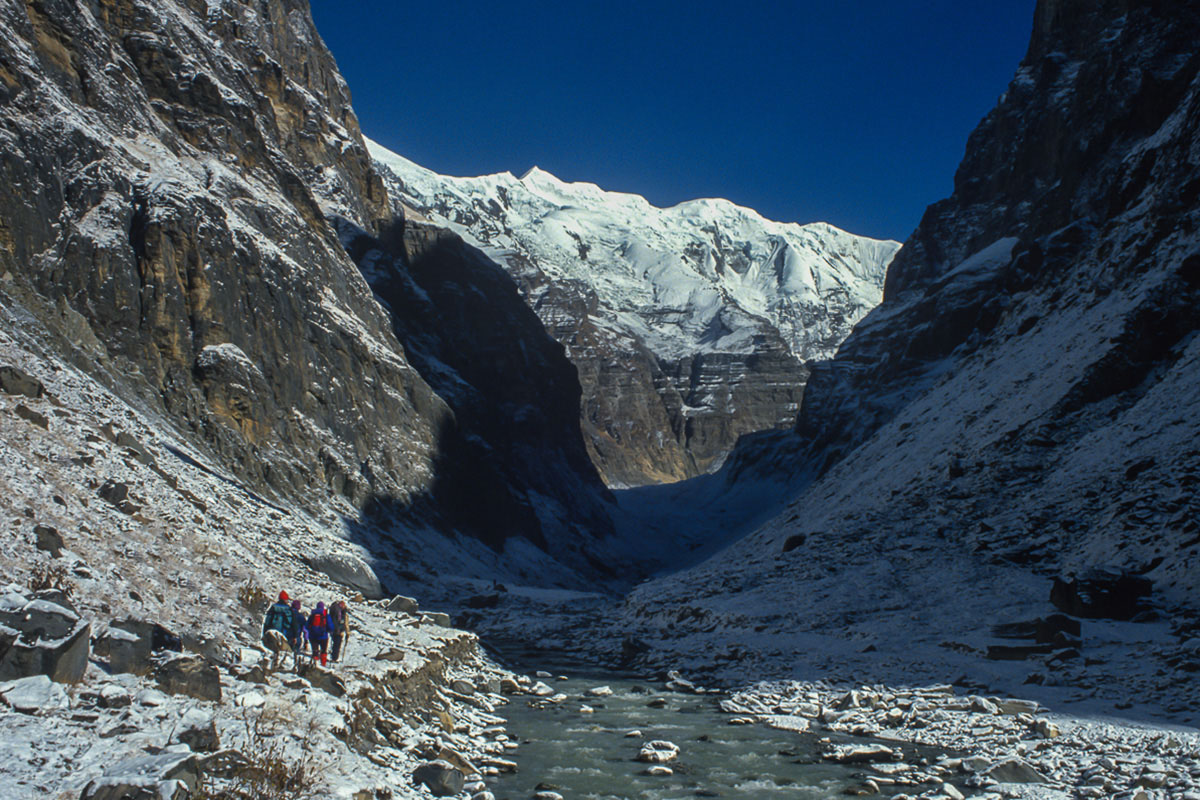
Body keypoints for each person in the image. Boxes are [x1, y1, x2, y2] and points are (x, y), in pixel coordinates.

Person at [261, 591, 293, 669]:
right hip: (282, 634)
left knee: (272, 650)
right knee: (283, 651)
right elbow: (290, 623)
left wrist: (264, 632)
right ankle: (278, 666)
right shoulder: (288, 609)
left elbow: (267, 621)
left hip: (272, 631)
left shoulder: (273, 607)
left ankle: (269, 666)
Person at [306, 601, 331, 667]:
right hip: (323, 636)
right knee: (323, 651)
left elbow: (307, 625)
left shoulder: (312, 615)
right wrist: (329, 630)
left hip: (313, 636)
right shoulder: (325, 615)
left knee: (315, 651)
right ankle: (323, 664)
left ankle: (315, 664)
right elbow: (331, 626)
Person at [287, 599, 307, 669]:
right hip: (297, 637)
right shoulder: (300, 616)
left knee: (286, 653)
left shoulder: (287, 613)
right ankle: (295, 667)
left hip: (286, 636)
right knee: (295, 653)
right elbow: (305, 629)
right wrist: (306, 640)